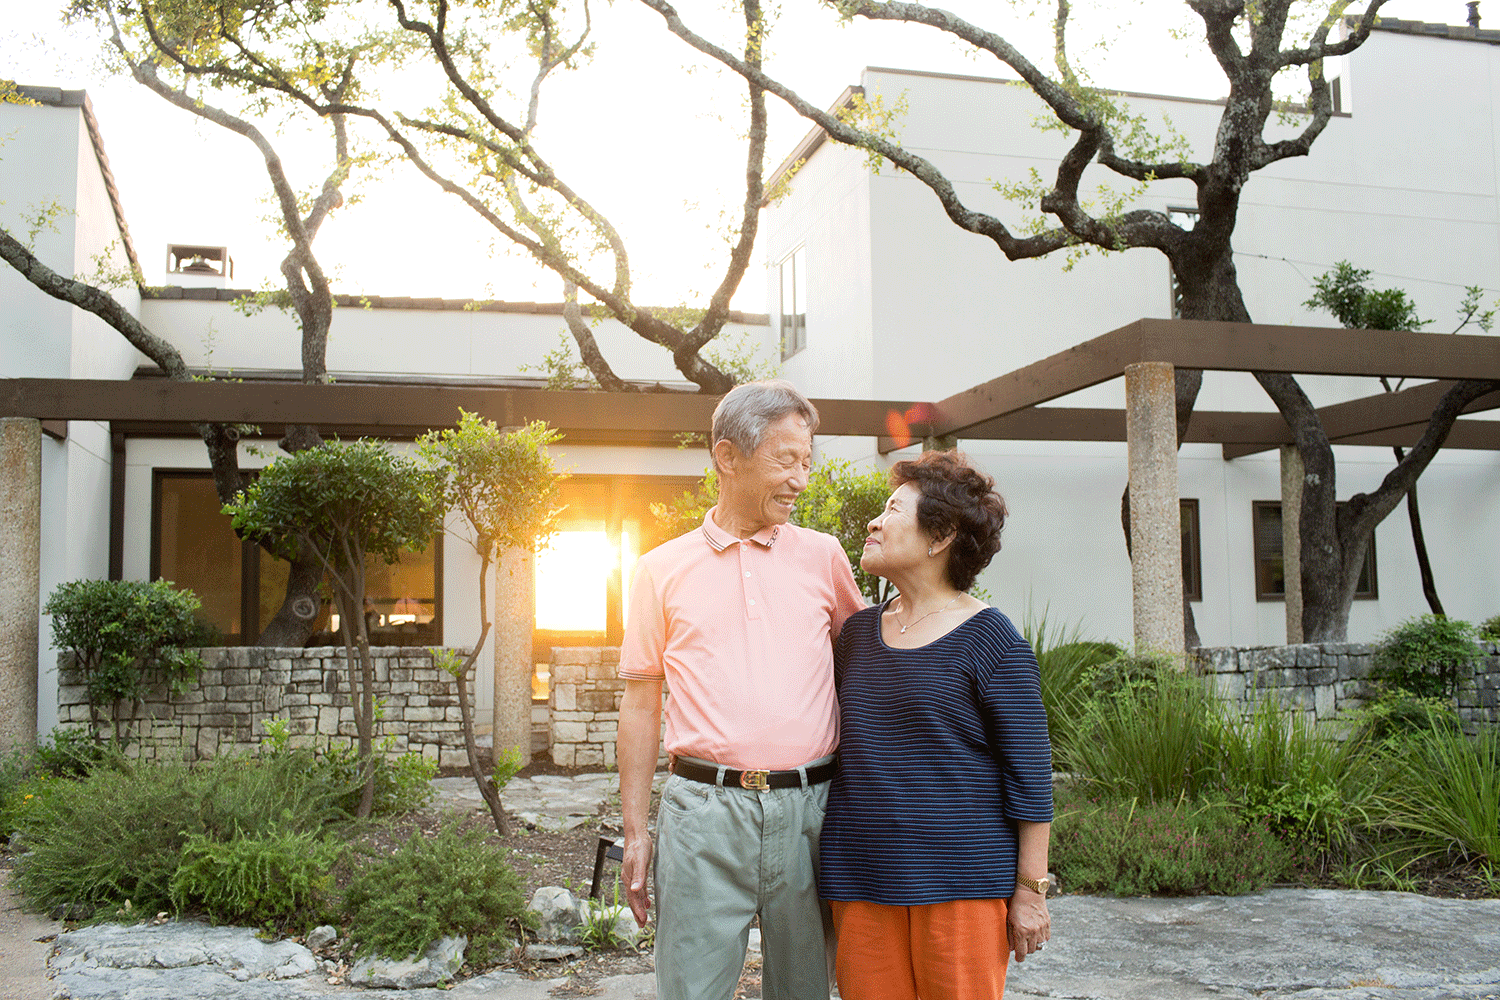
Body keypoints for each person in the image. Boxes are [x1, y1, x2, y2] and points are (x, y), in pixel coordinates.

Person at [616, 379, 866, 1000]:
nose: (801, 479)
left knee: (805, 990)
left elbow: (867, 673)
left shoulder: (824, 556)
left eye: (807, 462)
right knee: (689, 990)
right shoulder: (659, 570)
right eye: (786, 460)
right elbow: (641, 705)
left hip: (813, 807)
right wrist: (636, 831)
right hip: (703, 812)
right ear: (728, 457)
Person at [819, 449, 1054, 1000]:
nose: (874, 521)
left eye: (894, 509)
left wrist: (1030, 891)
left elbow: (1031, 777)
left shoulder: (991, 641)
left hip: (961, 885)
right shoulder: (855, 636)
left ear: (941, 534)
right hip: (862, 881)